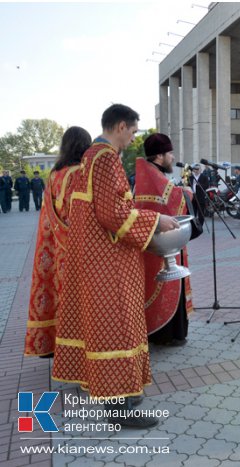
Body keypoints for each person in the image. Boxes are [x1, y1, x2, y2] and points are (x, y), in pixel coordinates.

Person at [53, 104, 179, 428]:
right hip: (108, 264)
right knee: (118, 330)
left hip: (93, 259)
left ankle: (118, 395)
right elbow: (114, 214)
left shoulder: (88, 158)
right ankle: (122, 407)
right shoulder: (106, 157)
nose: (132, 139)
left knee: (106, 329)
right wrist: (157, 219)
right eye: (134, 132)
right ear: (121, 126)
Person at [25, 126, 92, 358]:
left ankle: (54, 345)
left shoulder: (54, 174)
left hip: (54, 246)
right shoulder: (79, 173)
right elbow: (81, 214)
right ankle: (76, 351)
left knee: (57, 293)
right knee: (79, 299)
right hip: (76, 247)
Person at [135, 133, 194, 346]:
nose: (172, 157)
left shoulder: (149, 173)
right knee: (166, 285)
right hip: (162, 245)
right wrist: (186, 193)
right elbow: (173, 203)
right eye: (170, 153)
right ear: (159, 155)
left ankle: (165, 333)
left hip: (156, 243)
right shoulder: (154, 176)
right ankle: (168, 335)